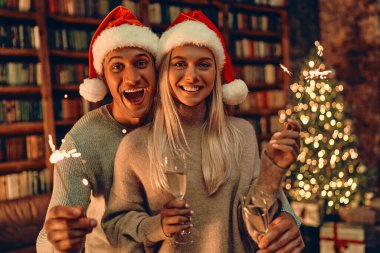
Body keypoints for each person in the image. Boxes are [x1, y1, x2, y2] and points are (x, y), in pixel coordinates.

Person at [102, 10, 304, 252]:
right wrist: (157, 226)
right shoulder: (135, 145)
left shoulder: (242, 134)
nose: (191, 75)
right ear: (164, 71)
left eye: (204, 64)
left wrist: (273, 171)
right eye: (179, 64)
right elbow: (116, 226)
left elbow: (255, 220)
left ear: (216, 73)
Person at [36, 6, 159, 252]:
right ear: (103, 79)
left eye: (141, 63)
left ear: (156, 71)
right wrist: (58, 242)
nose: (132, 78)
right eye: (117, 67)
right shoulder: (81, 140)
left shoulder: (174, 122)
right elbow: (45, 240)